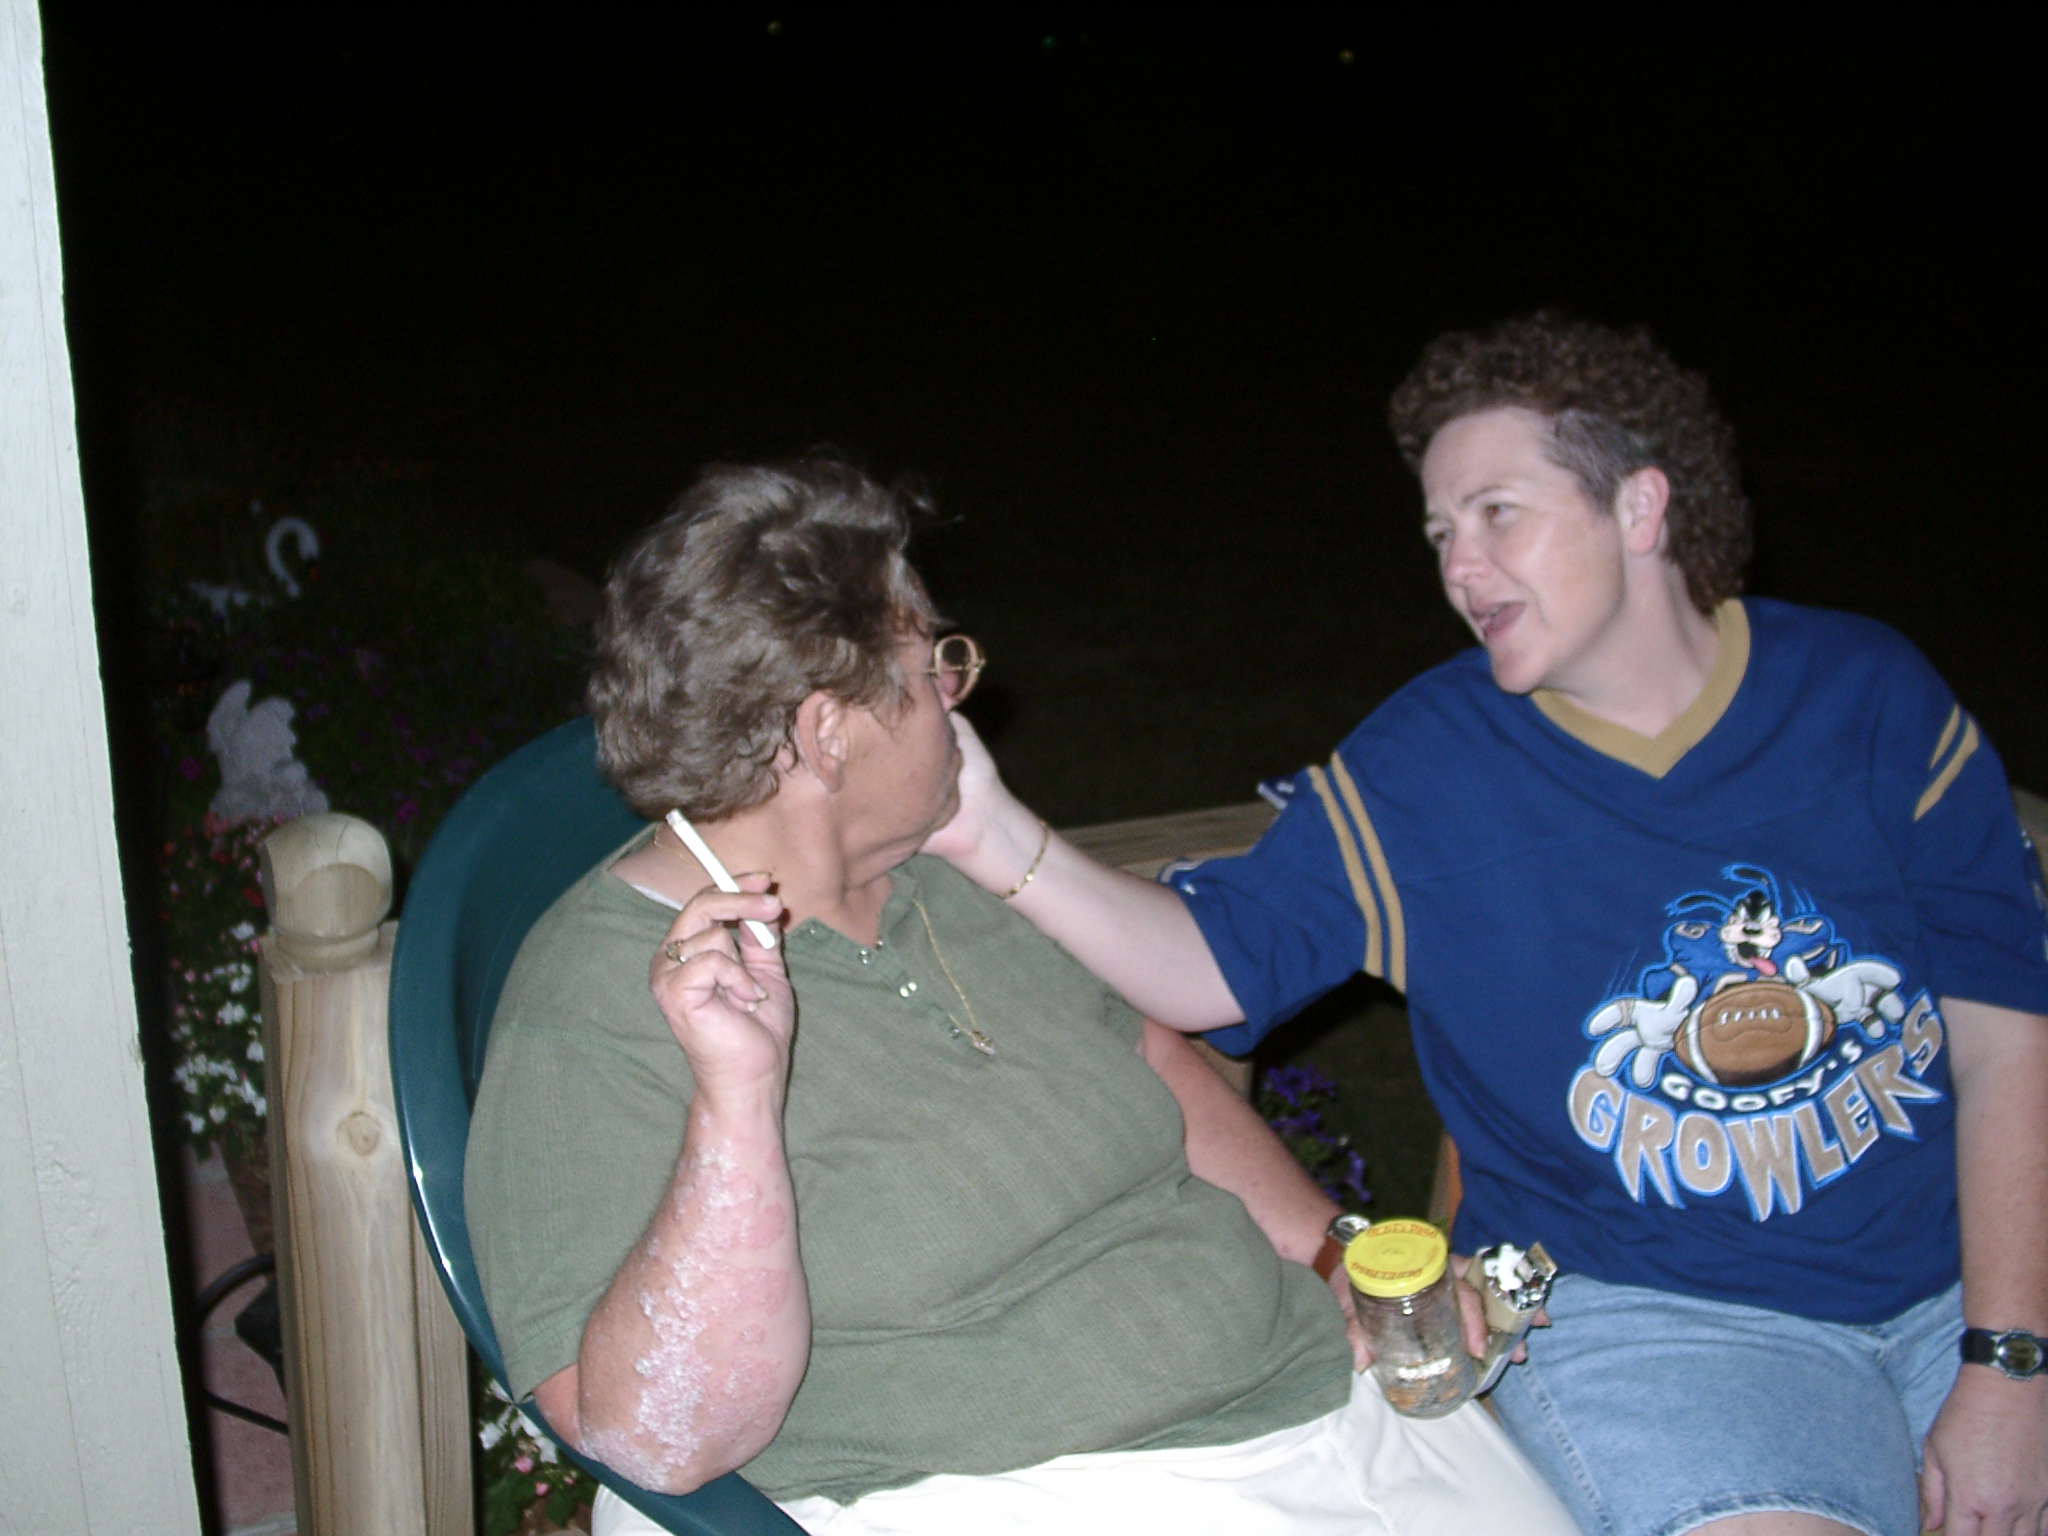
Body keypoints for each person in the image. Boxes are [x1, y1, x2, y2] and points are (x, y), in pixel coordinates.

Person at [927, 315, 2048, 1536]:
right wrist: (984, 824)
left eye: (1496, 513)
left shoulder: (1864, 698)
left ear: (1638, 506)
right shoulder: (1428, 768)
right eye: (1438, 533)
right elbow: (1205, 971)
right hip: (1652, 1320)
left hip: (1963, 1279)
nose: (1459, 567)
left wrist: (2007, 1362)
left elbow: (2004, 1042)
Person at [465, 455, 1578, 1536]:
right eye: (928, 666)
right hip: (1019, 1492)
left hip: (1309, 1400)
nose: (955, 692)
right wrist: (736, 1105)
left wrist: (1335, 1259)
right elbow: (649, 1438)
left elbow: (1148, 1054)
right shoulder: (594, 1007)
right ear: (826, 734)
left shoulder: (929, 872)